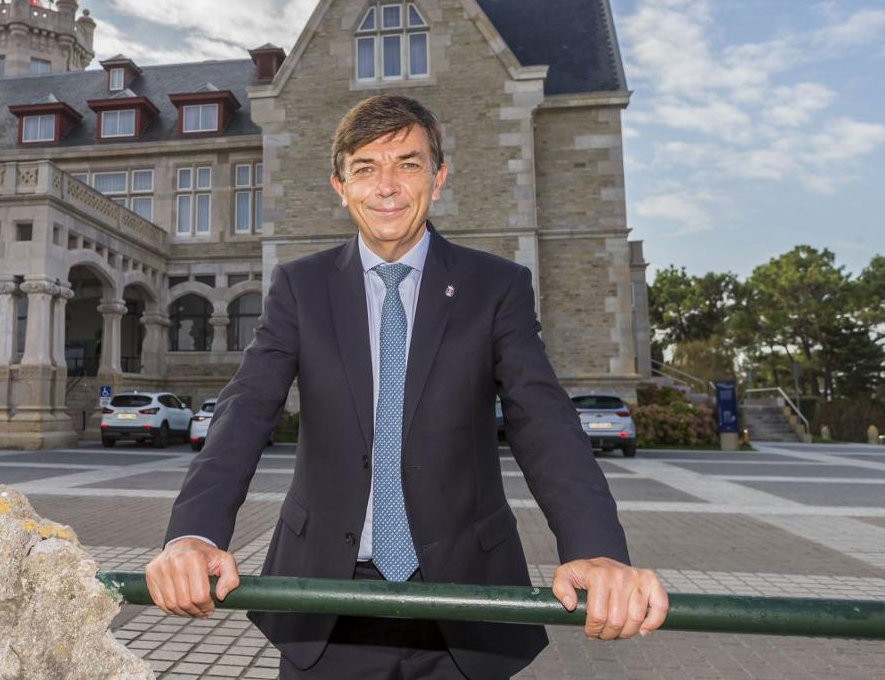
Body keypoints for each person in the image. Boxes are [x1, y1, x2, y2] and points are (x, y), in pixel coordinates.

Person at [145, 95, 668, 678]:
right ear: (339, 187)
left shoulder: (495, 286)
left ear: (438, 178)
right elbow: (244, 412)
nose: (387, 186)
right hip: (325, 600)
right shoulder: (301, 287)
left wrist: (595, 549)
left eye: (408, 164)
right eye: (365, 168)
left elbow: (542, 420)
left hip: (465, 605)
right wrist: (192, 534)